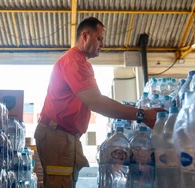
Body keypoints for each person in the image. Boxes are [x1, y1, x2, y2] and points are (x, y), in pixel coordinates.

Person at [34, 17, 164, 188]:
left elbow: (96, 100)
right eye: (99, 38)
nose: (103, 44)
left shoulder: (79, 63)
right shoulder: (75, 62)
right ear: (85, 36)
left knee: (78, 176)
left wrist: (134, 110)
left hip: (65, 135)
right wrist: (142, 115)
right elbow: (97, 103)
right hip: (58, 134)